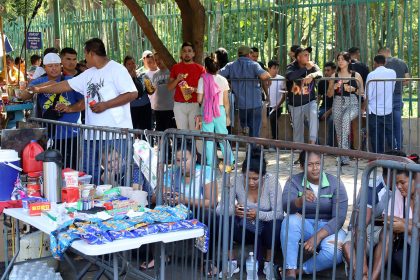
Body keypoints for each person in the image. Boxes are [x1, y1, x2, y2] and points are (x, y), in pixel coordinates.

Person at [29, 38, 138, 184]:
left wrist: (106, 105)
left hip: (116, 133)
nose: (84, 58)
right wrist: (38, 89)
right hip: (91, 134)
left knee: (121, 174)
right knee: (89, 174)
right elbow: (65, 85)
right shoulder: (88, 73)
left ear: (91, 53)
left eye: (85, 54)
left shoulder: (117, 69)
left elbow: (132, 93)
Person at [281, 151, 348, 278]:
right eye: (310, 164)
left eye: (318, 163)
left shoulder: (335, 183)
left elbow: (339, 218)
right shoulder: (294, 181)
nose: (315, 168)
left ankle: (300, 270)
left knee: (336, 252)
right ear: (302, 166)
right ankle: (290, 270)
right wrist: (300, 201)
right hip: (305, 224)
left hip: (329, 228)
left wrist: (318, 236)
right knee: (290, 221)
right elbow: (285, 206)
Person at [215, 152, 283, 279]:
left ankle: (268, 263)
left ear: (263, 175)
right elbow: (219, 209)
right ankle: (231, 262)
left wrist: (259, 214)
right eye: (247, 177)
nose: (251, 182)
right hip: (243, 227)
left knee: (276, 224)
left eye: (255, 178)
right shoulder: (236, 180)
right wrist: (233, 211)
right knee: (223, 218)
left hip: (264, 230)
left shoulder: (272, 181)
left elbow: (279, 214)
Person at [342, 150, 406, 280]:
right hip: (364, 229)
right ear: (392, 170)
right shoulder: (373, 187)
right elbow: (361, 226)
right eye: (402, 167)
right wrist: (363, 266)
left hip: (387, 230)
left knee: (388, 231)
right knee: (347, 246)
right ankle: (363, 275)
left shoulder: (404, 186)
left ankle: (373, 277)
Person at [20, 53, 84, 170]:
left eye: (56, 65)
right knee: (49, 169)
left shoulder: (71, 81)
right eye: (50, 66)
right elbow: (23, 96)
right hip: (48, 135)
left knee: (70, 169)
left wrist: (70, 108)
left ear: (61, 66)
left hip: (71, 133)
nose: (54, 68)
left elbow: (84, 102)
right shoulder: (38, 81)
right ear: (44, 68)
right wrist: (43, 86)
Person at [372, 155, 419, 280]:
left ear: (416, 180)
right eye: (397, 182)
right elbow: (388, 218)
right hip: (407, 245)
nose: (398, 186)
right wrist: (414, 224)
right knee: (397, 253)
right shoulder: (400, 193)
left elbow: (396, 221)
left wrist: (405, 227)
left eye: (402, 182)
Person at [219, 45, 270, 137]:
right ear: (249, 54)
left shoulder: (230, 66)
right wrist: (268, 76)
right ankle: (253, 149)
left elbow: (218, 76)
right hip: (255, 103)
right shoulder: (254, 64)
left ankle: (249, 146)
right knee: (254, 130)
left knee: (245, 127)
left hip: (241, 104)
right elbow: (264, 76)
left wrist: (228, 83)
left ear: (238, 55)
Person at [196, 54, 234, 167]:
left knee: (208, 138)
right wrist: (227, 116)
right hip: (220, 110)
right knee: (223, 137)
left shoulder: (202, 79)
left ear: (205, 67)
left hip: (207, 111)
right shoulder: (223, 80)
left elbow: (199, 99)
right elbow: (226, 101)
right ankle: (230, 162)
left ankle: (210, 164)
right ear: (217, 67)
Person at [327, 52, 364, 165]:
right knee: (339, 130)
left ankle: (343, 155)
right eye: (338, 59)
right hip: (337, 102)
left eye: (343, 59)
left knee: (345, 120)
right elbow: (329, 94)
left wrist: (353, 89)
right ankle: (343, 157)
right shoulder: (334, 76)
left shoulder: (356, 75)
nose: (340, 61)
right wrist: (334, 87)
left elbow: (362, 92)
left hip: (352, 103)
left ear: (348, 61)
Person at [285, 46, 322, 144]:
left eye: (308, 55)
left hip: (309, 101)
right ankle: (299, 153)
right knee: (297, 131)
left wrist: (312, 75)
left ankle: (312, 143)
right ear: (298, 57)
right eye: (305, 55)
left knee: (314, 115)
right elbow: (290, 76)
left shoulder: (312, 65)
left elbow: (320, 73)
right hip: (295, 104)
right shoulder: (291, 66)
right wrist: (306, 68)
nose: (308, 57)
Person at [378, 47, 410, 151]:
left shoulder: (383, 64)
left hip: (385, 96)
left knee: (387, 123)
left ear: (383, 53)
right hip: (398, 95)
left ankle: (392, 148)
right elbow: (407, 80)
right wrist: (398, 85)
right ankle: (399, 148)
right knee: (397, 122)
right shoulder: (402, 62)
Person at [168, 42, 205, 130]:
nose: (187, 53)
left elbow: (206, 89)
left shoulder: (201, 69)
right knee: (182, 134)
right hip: (179, 105)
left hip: (195, 105)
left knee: (196, 134)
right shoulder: (175, 67)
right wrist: (177, 79)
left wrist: (194, 89)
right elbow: (169, 87)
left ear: (193, 54)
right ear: (181, 53)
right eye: (184, 51)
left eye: (189, 51)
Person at [365, 55, 396, 154]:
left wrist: (364, 107)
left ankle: (378, 156)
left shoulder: (371, 75)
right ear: (385, 62)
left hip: (374, 109)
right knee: (390, 133)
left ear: (375, 63)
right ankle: (395, 155)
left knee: (375, 135)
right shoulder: (392, 73)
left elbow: (367, 94)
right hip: (388, 108)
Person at [124, 55, 152, 130]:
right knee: (132, 131)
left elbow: (150, 91)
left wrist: (151, 89)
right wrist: (132, 78)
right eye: (128, 64)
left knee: (146, 131)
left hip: (145, 107)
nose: (131, 65)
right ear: (125, 66)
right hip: (131, 108)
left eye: (133, 63)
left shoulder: (143, 75)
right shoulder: (122, 78)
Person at [151, 52, 176, 131]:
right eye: (156, 60)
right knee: (161, 134)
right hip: (158, 109)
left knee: (172, 133)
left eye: (160, 59)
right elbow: (153, 90)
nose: (158, 61)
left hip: (171, 108)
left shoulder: (172, 71)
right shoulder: (155, 75)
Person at [266, 60, 286, 140]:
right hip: (266, 106)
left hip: (277, 106)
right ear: (269, 69)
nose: (276, 70)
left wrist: (278, 105)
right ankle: (263, 142)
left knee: (273, 119)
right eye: (274, 68)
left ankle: (275, 140)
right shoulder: (265, 78)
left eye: (277, 68)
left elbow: (285, 94)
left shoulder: (281, 79)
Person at [318, 61, 336, 146]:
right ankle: (317, 143)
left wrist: (328, 112)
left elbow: (338, 101)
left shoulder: (338, 82)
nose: (326, 72)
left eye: (328, 70)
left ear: (334, 71)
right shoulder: (322, 81)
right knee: (309, 119)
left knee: (332, 121)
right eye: (325, 70)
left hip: (336, 108)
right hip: (323, 108)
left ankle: (329, 145)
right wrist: (314, 109)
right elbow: (318, 97)